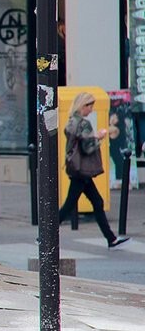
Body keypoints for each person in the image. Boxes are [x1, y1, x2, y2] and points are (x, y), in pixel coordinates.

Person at [58, 92, 129, 248]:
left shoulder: (71, 121)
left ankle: (111, 239)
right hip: (82, 170)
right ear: (84, 106)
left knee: (96, 202)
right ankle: (45, 235)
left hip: (76, 168)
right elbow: (87, 148)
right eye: (90, 107)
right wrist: (99, 137)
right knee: (70, 205)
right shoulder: (83, 124)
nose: (91, 110)